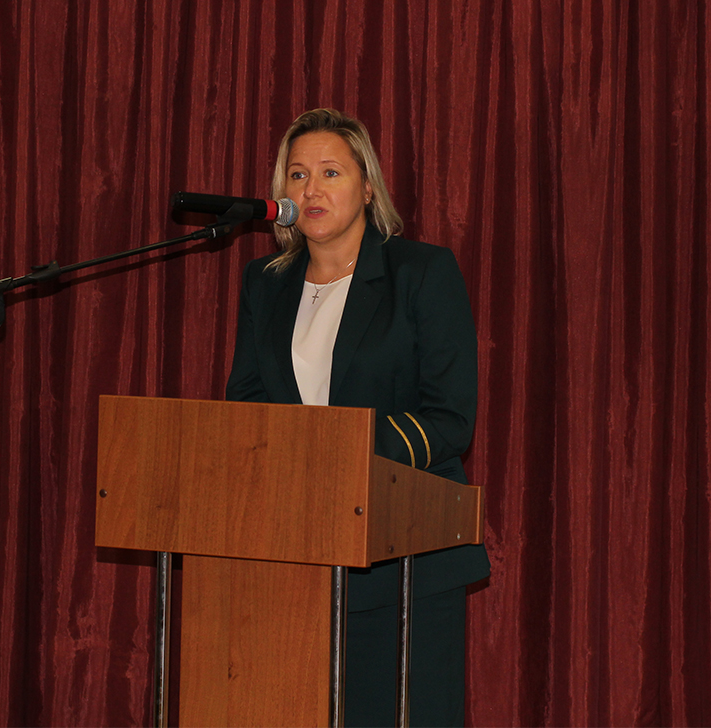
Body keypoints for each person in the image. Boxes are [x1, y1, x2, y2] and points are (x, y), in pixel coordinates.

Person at [226, 108, 490, 727]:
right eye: (297, 175)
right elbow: (248, 403)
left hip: (407, 559)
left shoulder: (421, 272)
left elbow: (450, 417)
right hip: (298, 557)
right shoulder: (265, 283)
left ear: (368, 188)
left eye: (330, 172)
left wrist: (341, 458)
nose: (311, 189)